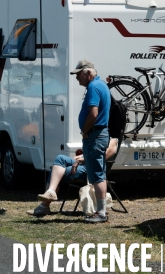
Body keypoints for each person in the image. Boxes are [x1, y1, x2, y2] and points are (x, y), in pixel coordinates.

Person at [35, 59, 111, 222]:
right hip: (99, 135)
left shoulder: (93, 87)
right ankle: (101, 211)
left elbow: (94, 113)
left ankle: (101, 213)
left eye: (79, 75)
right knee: (99, 174)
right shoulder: (101, 85)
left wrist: (85, 130)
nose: (77, 79)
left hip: (95, 135)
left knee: (97, 175)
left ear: (88, 73)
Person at [27, 138, 119, 217]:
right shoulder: (99, 136)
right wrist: (79, 158)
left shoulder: (112, 141)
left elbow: (101, 157)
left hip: (91, 168)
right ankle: (50, 193)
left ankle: (44, 206)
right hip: (85, 163)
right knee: (60, 159)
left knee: (55, 171)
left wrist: (82, 159)